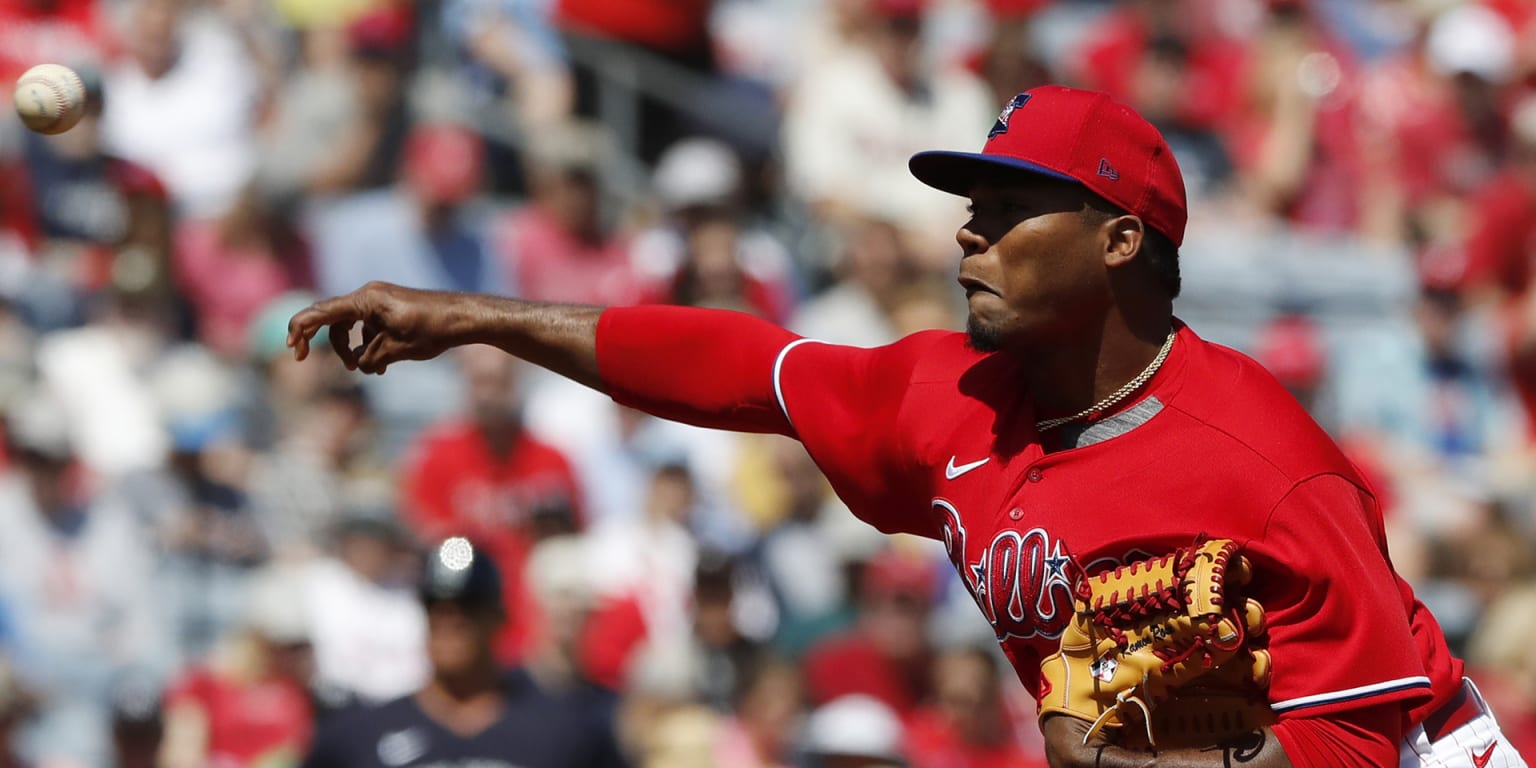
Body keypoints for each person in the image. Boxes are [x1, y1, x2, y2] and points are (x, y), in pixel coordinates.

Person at [288, 85, 1525, 767]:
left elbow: (1361, 745)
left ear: (1118, 240)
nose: (965, 233)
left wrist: (1170, 763)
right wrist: (475, 316)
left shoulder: (1266, 468)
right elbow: (739, 365)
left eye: (1005, 209)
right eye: (969, 207)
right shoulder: (951, 399)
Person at [300, 537, 627, 768]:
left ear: (498, 618)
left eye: (467, 608)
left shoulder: (566, 733)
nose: (450, 622)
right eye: (437, 608)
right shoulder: (359, 736)